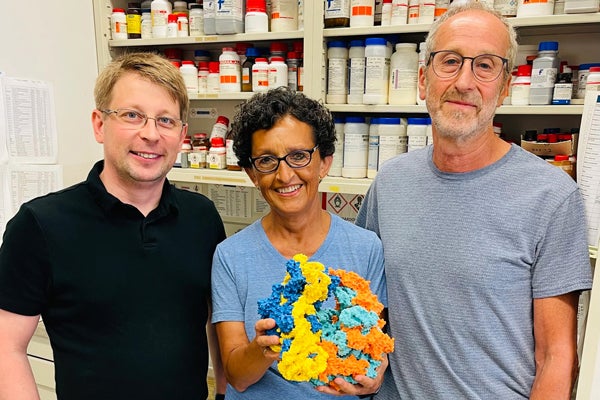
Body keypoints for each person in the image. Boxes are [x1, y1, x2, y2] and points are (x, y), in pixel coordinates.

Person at [355, 2, 593, 399]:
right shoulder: (390, 183)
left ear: (503, 87)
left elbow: (556, 356)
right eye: (450, 61)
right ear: (422, 79)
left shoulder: (551, 196)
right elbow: (368, 305)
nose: (464, 81)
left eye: (485, 65)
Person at [0, 52, 227, 400]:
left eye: (165, 120)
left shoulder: (202, 218)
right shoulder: (41, 225)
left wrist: (224, 394)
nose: (150, 134)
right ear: (99, 124)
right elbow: (6, 347)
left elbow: (217, 323)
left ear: (182, 134)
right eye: (132, 115)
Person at [211, 87, 388, 399]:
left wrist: (373, 376)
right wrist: (263, 348)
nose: (284, 175)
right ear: (252, 173)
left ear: (324, 162)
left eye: (298, 156)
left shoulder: (366, 248)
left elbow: (373, 347)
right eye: (267, 160)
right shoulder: (230, 256)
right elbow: (236, 377)